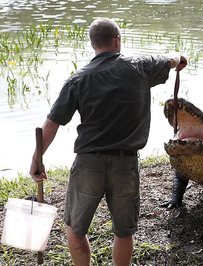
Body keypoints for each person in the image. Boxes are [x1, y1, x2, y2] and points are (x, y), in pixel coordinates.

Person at [29, 17, 187, 266]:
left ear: (93, 44)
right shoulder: (140, 66)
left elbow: (51, 124)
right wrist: (178, 58)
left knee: (75, 229)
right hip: (125, 164)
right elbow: (172, 58)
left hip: (88, 165)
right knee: (123, 232)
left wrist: (37, 160)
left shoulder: (77, 80)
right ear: (117, 40)